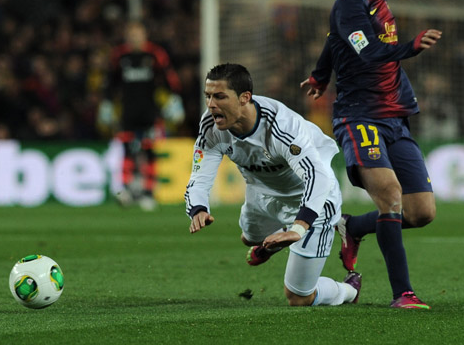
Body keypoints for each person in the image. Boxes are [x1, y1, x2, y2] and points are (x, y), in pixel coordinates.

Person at [301, 0, 442, 309]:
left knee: (421, 212)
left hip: (394, 116)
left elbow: (334, 39)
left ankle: (353, 226)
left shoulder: (375, 0)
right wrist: (410, 47)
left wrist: (320, 74)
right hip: (358, 116)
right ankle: (403, 293)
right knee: (391, 195)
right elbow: (366, 51)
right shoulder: (350, 3)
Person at [185, 63, 361, 307]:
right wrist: (198, 208)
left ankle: (350, 288)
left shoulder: (282, 126)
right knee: (249, 238)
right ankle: (273, 242)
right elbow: (199, 174)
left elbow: (317, 176)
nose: (211, 104)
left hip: (312, 200)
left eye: (220, 96)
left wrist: (298, 227)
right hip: (261, 194)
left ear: (245, 97)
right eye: (208, 96)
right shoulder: (211, 126)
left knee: (299, 297)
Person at [99, 20, 184, 210]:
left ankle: (148, 192)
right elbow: (110, 81)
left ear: (144, 35)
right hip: (128, 111)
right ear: (127, 37)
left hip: (149, 111)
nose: (134, 38)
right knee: (127, 149)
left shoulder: (155, 54)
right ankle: (126, 190)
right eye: (131, 35)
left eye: (137, 34)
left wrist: (174, 98)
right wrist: (107, 103)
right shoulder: (119, 55)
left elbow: (169, 77)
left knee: (149, 150)